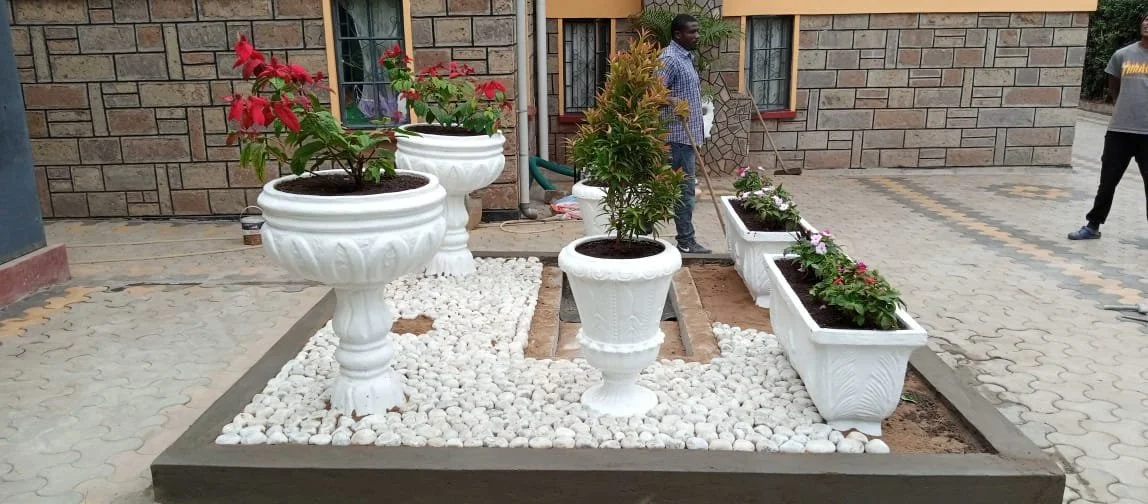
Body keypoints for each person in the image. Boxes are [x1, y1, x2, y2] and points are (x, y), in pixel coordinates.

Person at [1068, 12, 1148, 240]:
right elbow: (1114, 87)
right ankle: (1092, 226)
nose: (1147, 24)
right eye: (1146, 19)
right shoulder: (1122, 55)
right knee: (1107, 182)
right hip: (1119, 131)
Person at [656, 13, 711, 254]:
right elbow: (654, 93)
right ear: (678, 34)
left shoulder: (687, 57)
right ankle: (686, 241)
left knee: (680, 191)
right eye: (692, 32)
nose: (697, 36)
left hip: (687, 138)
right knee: (683, 192)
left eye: (697, 31)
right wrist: (674, 101)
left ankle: (648, 234)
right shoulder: (669, 58)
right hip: (676, 138)